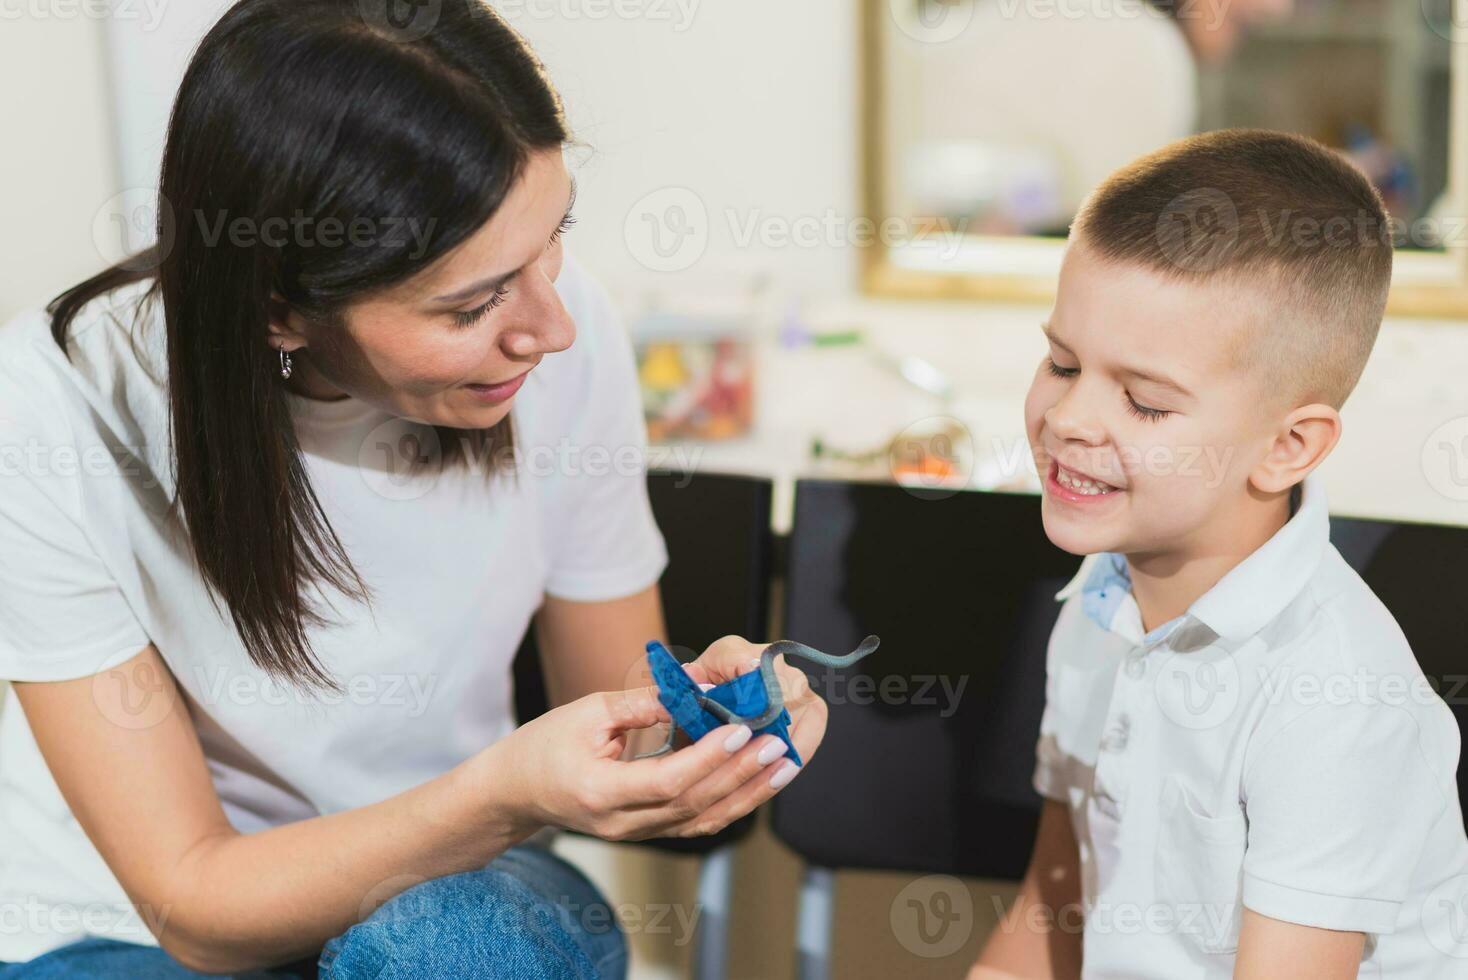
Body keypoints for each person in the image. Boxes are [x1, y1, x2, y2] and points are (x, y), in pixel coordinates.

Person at [0, 1, 819, 975]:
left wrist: (707, 727)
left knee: (463, 948)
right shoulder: (52, 411)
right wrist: (502, 793)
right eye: (471, 303)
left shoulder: (567, 334)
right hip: (132, 922)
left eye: (555, 236)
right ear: (279, 310)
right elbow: (193, 899)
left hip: (459, 879)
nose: (549, 328)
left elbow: (614, 708)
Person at [968, 129, 1468, 977]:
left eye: (1145, 403)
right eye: (1061, 362)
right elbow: (1057, 900)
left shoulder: (1336, 700)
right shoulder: (1099, 602)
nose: (1069, 420)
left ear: (1287, 447)